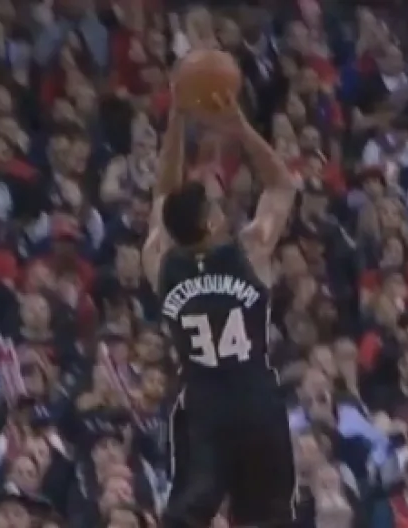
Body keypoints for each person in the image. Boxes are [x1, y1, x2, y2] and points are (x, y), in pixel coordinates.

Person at [141, 93, 299, 527]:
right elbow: (282, 187)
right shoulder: (250, 250)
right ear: (211, 222)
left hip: (204, 406)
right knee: (267, 518)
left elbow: (162, 196)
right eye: (214, 203)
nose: (220, 205)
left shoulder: (159, 262)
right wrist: (241, 127)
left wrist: (176, 121)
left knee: (186, 515)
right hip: (254, 401)